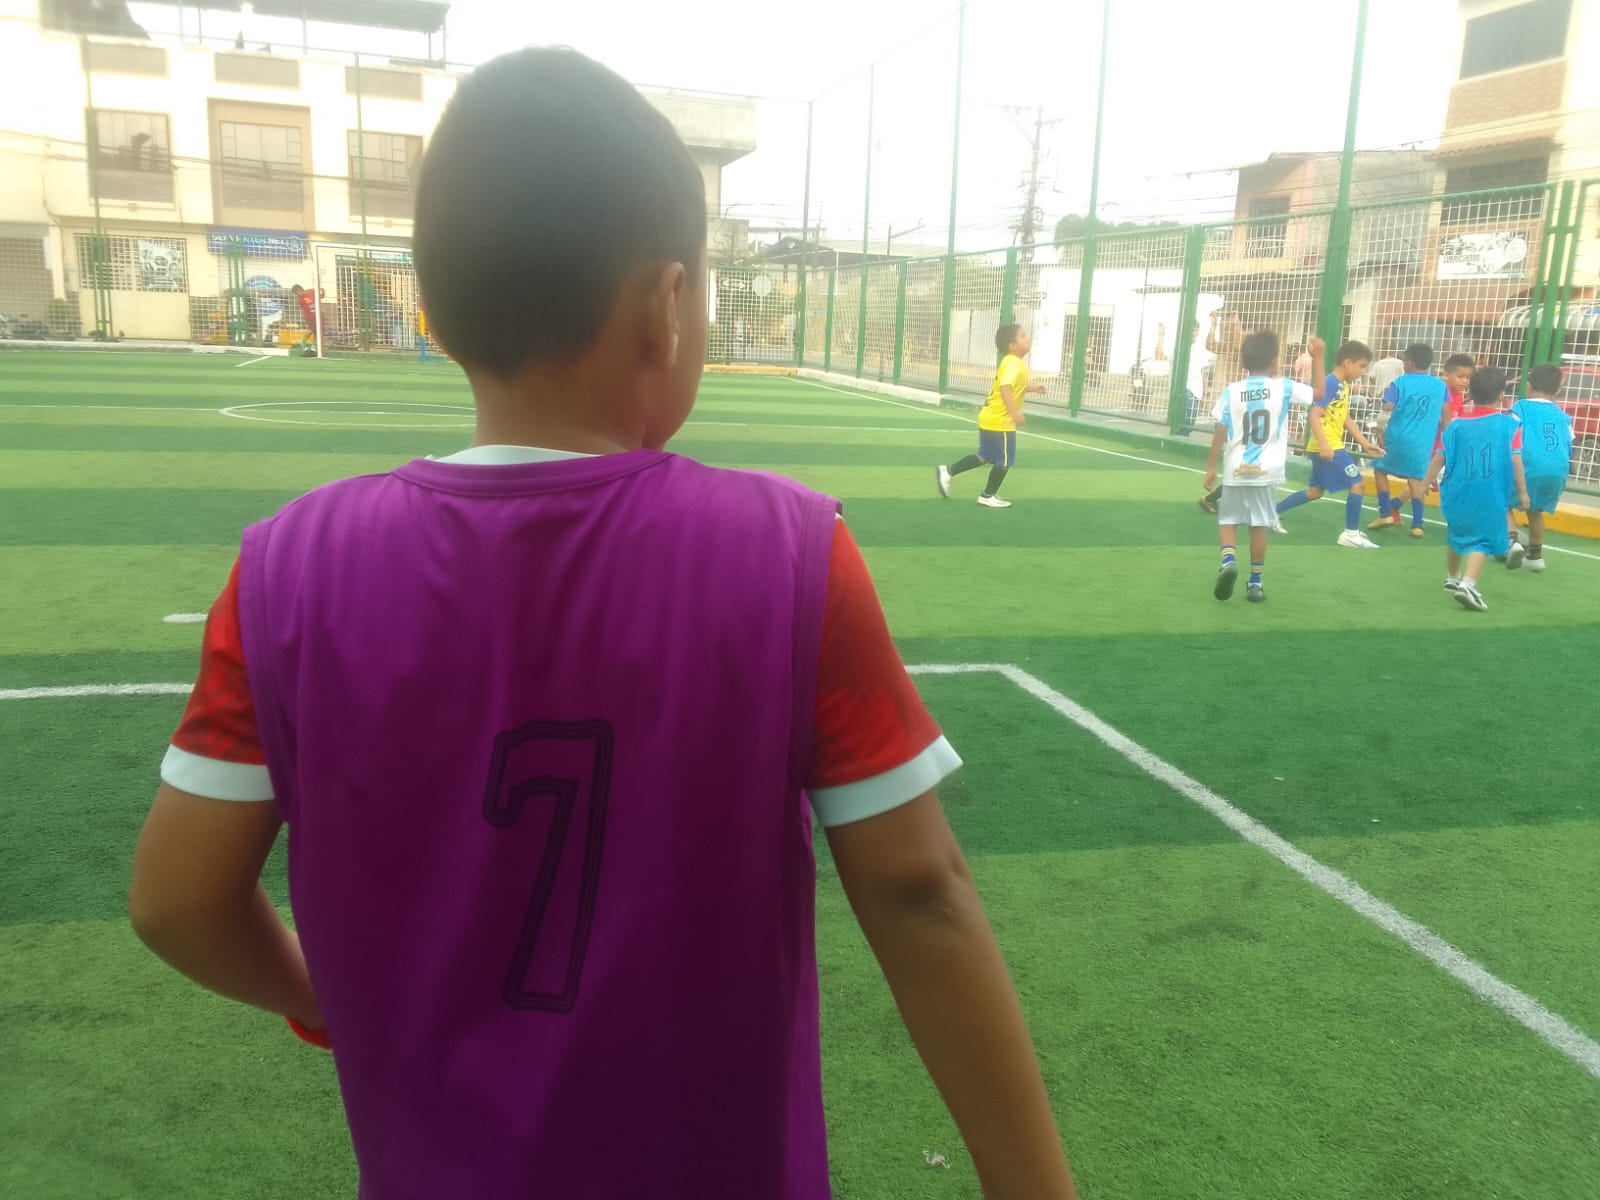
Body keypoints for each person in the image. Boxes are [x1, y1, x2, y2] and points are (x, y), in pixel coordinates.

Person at [127, 47, 1076, 1200]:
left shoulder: (285, 569)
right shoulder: (788, 552)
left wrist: (317, 994)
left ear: (435, 313)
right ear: (667, 307)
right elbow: (919, 889)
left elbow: (177, 903)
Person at [1204, 332, 1325, 604]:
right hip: (1267, 471)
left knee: (1228, 520)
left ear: (1245, 362)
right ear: (1274, 361)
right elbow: (1319, 393)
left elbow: (1220, 430)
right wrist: (1318, 357)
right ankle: (1255, 583)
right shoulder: (1283, 387)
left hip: (1236, 468)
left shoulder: (1232, 391)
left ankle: (1228, 561)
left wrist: (1210, 467)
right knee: (1259, 525)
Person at [1424, 365, 1528, 611]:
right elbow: (1516, 460)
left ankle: (1452, 577)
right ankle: (1469, 584)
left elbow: (1439, 457)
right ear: (1501, 395)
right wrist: (1523, 492)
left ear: (1471, 391)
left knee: (1456, 531)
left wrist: (1424, 482)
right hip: (1491, 492)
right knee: (1483, 539)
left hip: (1456, 491)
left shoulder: (1456, 426)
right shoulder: (1509, 426)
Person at [1274, 340, 1384, 548]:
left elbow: (1345, 417)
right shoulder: (1331, 383)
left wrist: (1364, 442)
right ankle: (1350, 534)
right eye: (1362, 366)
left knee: (1315, 491)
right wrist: (1324, 444)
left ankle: (1272, 512)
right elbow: (1314, 415)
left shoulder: (1344, 385)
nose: (1363, 372)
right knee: (1357, 484)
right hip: (1328, 447)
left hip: (1328, 446)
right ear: (1348, 363)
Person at [937, 322, 1046, 509]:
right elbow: (1005, 387)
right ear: (1012, 345)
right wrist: (1014, 413)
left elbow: (1013, 385)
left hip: (989, 417)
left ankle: (948, 472)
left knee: (984, 456)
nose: (1027, 338)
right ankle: (987, 496)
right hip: (1000, 421)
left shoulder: (1010, 362)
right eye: (1022, 336)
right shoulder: (1014, 363)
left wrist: (1033, 388)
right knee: (1005, 461)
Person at [1368, 343, 1450, 538]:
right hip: (1423, 442)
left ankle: (1385, 513)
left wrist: (1379, 431)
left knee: (1380, 469)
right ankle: (1417, 525)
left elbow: (1387, 408)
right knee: (1416, 479)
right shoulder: (1440, 386)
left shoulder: (1400, 382)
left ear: (1410, 362)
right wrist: (1447, 436)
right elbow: (1447, 415)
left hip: (1398, 437)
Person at [1508, 362, 1573, 573]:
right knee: (1536, 511)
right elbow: (1569, 441)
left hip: (1529, 466)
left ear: (1528, 386)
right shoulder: (1562, 416)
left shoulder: (1520, 409)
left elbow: (1510, 439)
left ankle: (1511, 542)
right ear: (1558, 390)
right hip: (1557, 470)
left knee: (1502, 501)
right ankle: (1535, 556)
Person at [1178, 318, 1215, 436]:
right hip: (1185, 388)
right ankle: (1180, 438)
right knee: (1186, 419)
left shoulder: (1200, 350)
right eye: (1191, 330)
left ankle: (1182, 437)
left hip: (1196, 390)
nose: (1193, 333)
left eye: (1195, 330)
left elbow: (1204, 371)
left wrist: (1205, 392)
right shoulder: (1179, 347)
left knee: (1190, 422)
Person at [290, 284, 318, 356]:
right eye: (296, 294)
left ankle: (312, 346)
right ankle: (310, 345)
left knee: (317, 330)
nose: (298, 295)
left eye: (297, 293)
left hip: (318, 314)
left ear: (300, 289)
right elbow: (304, 308)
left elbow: (321, 292)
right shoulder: (300, 299)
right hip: (310, 316)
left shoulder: (312, 291)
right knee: (315, 330)